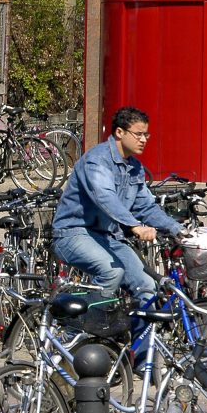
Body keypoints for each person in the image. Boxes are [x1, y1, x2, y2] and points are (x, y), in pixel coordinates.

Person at [51, 106, 184, 312]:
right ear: (119, 133)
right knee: (112, 271)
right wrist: (135, 226)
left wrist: (177, 229)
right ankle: (79, 331)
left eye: (146, 134)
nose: (144, 139)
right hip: (73, 233)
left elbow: (146, 207)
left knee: (146, 285)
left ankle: (138, 345)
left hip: (108, 237)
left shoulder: (135, 167)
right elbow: (105, 197)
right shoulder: (97, 160)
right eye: (138, 134)